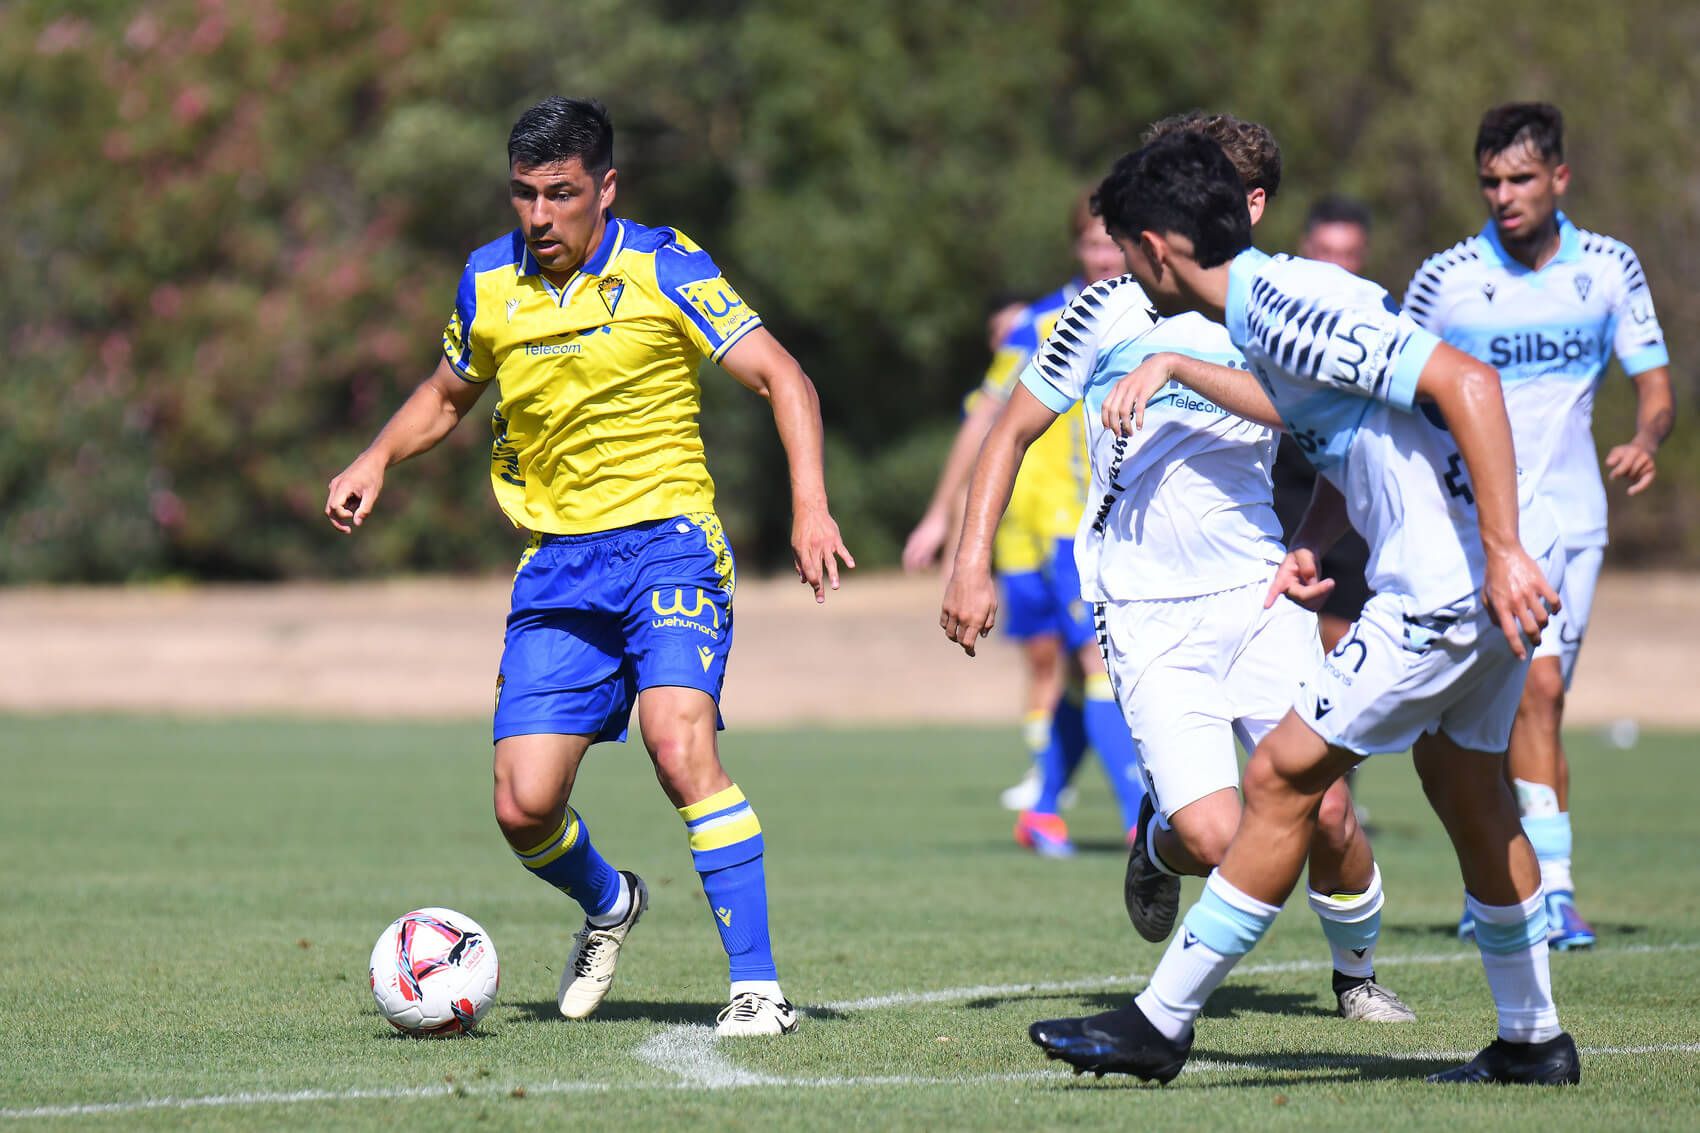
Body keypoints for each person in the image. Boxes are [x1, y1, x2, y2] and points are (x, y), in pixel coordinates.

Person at [1016, 130, 1575, 1085]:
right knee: (1467, 789)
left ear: (1157, 246)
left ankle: (1160, 1023)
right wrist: (1320, 535)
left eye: (1124, 251)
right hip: (1481, 561)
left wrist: (1501, 548)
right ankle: (1533, 1041)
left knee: (1282, 779)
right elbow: (1342, 428)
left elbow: (1465, 382)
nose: (1117, 274)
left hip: (1449, 575)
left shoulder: (1277, 307)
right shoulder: (1272, 307)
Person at [324, 97, 853, 1037]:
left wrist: (810, 507)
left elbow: (785, 377)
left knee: (679, 743)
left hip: (668, 545)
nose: (539, 216)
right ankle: (611, 902)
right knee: (523, 806)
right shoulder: (489, 280)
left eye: (560, 194)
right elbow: (448, 394)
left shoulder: (664, 265)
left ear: (605, 188)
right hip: (557, 568)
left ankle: (759, 989)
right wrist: (375, 458)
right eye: (524, 194)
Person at [942, 113, 1411, 1024]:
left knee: (1327, 812)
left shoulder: (1289, 303)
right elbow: (1009, 430)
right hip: (1144, 606)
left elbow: (1326, 419)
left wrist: (1310, 536)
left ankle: (1356, 976)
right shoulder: (1104, 309)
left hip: (1258, 590)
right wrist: (970, 563)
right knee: (1216, 835)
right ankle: (1159, 843)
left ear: (1250, 205)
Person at [1404, 102, 1674, 951]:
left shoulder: (1609, 267)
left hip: (1579, 520)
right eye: (1490, 181)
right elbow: (1397, 384)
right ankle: (1547, 889)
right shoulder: (1445, 278)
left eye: (1520, 178)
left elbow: (1655, 384)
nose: (1503, 195)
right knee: (1535, 693)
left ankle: (1504, 877)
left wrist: (1643, 437)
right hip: (1485, 526)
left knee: (1535, 707)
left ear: (1560, 177)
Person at [905, 195, 1145, 855]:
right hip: (1051, 526)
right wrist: (940, 513)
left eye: (1113, 243)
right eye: (1092, 244)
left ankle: (1042, 809)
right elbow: (985, 418)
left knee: (1079, 671)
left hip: (1109, 518)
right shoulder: (1041, 323)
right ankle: (1140, 822)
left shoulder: (1152, 313)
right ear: (1076, 247)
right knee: (1093, 663)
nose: (1103, 256)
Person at [1271, 196, 1379, 652]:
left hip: (1355, 508)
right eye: (1325, 253)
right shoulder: (1268, 325)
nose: (1335, 268)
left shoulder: (1383, 328)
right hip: (1282, 504)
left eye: (1347, 254)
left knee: (1349, 645)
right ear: (1304, 250)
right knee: (1285, 644)